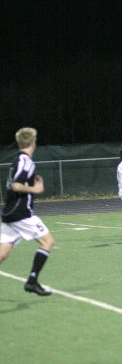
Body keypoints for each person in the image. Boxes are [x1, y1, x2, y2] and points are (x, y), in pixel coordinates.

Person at [0, 127, 54, 296]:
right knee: (47, 242)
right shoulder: (26, 161)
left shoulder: (19, 160)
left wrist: (32, 181)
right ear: (32, 142)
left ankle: (32, 281)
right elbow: (16, 185)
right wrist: (35, 189)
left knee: (3, 252)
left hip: (10, 212)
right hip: (21, 213)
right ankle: (32, 281)